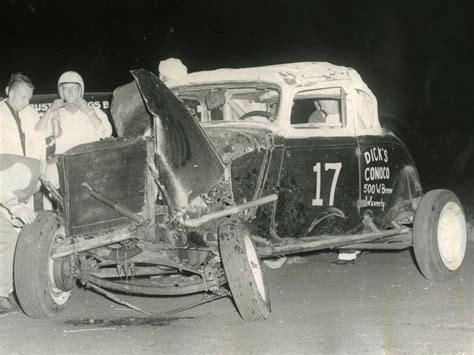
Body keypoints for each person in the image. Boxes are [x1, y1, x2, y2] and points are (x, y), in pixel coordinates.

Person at [35, 71, 112, 187]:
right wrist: (50, 110)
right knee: (50, 176)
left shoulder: (94, 111)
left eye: (74, 88)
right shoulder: (56, 113)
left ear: (80, 90)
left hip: (90, 165)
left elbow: (106, 133)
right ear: (61, 92)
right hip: (64, 167)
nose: (70, 92)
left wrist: (89, 112)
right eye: (66, 89)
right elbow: (37, 134)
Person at [0, 154, 42, 314]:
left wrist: (12, 217)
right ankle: (1, 296)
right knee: (9, 240)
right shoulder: (28, 170)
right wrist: (15, 208)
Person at [0, 73, 45, 159]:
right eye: (23, 97)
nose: (27, 102)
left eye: (29, 98)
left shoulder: (29, 113)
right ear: (10, 93)